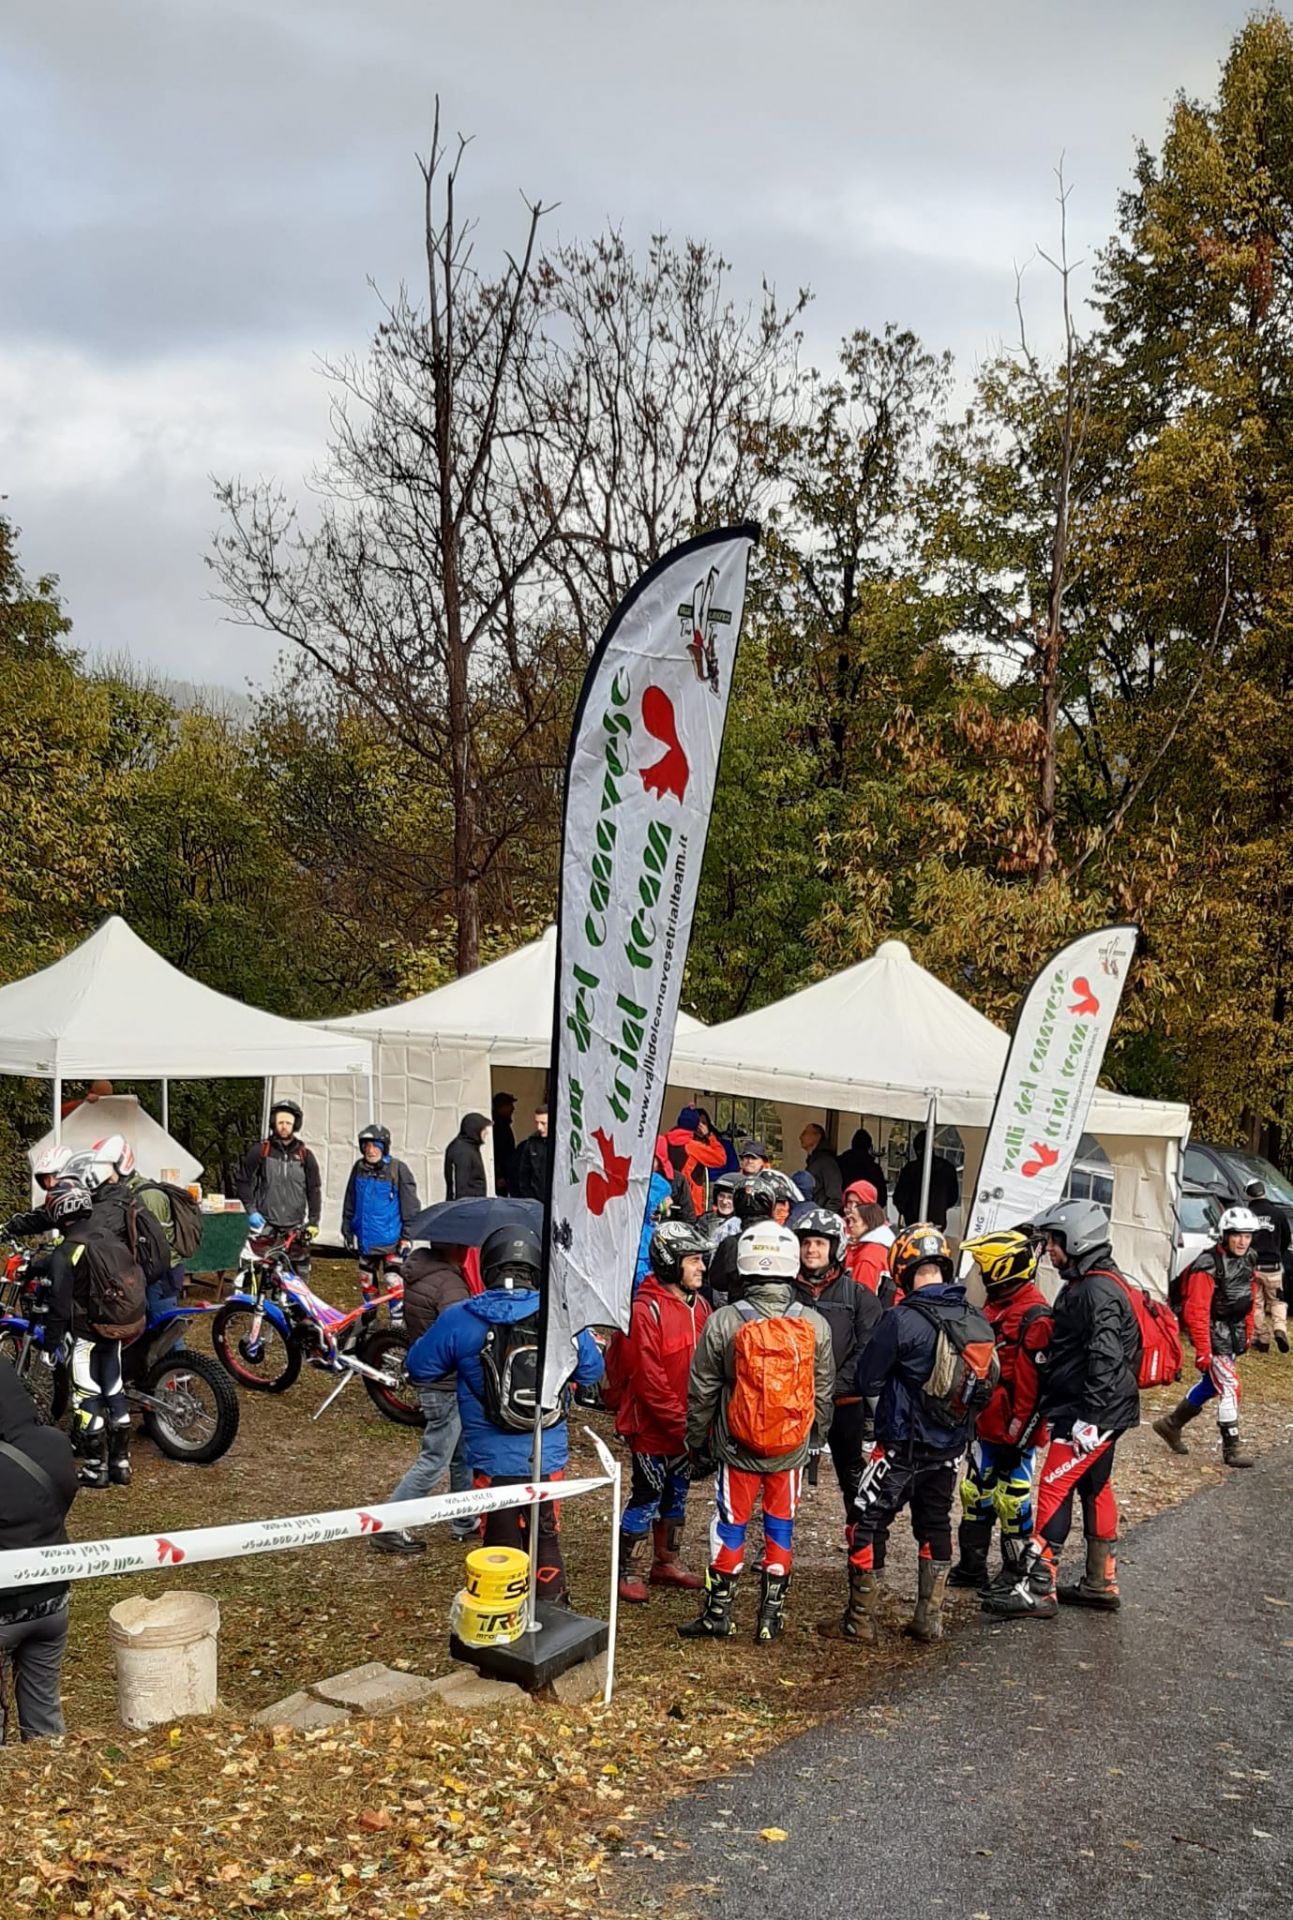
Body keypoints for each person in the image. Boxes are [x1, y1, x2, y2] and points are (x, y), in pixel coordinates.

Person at [404, 1224, 603, 1605]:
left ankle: (499, 1612)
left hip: (490, 1459)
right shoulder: (562, 1316)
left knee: (498, 1538)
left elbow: (420, 1367)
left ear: (488, 1267)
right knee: (545, 1533)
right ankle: (552, 1609)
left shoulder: (461, 1317)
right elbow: (592, 1371)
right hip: (546, 1453)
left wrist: (465, 1363)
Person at [985, 1199, 1141, 1621]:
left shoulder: (1095, 1291)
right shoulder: (1093, 1283)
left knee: (1055, 1486)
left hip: (1089, 1411)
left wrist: (1089, 1419)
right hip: (1098, 1407)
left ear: (1077, 1240)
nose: (1049, 1249)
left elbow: (1105, 1356)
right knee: (1095, 1486)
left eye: (1055, 1240)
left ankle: (1039, 1587)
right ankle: (1100, 1580)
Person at [680, 1220, 834, 1644]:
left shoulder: (723, 1321)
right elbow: (823, 1392)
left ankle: (718, 1614)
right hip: (791, 1451)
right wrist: (814, 1440)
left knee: (730, 1525)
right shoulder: (815, 1324)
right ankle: (770, 1617)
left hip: (737, 1447)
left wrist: (697, 1443)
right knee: (781, 1526)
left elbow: (702, 1392)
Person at [830, 1225, 983, 1646]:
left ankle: (860, 1620)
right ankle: (929, 1619)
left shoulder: (900, 1319)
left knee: (866, 1520)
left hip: (900, 1447)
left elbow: (867, 1379)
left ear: (902, 1268)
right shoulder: (973, 1316)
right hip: (950, 1448)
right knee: (935, 1524)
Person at [614, 1220, 713, 1603]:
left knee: (678, 1495)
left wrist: (703, 1426)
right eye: (693, 1259)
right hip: (652, 1430)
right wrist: (686, 1427)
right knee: (647, 1494)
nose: (701, 1267)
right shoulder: (645, 1310)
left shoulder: (701, 1306)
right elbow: (648, 1379)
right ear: (671, 1262)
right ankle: (628, 1569)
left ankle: (666, 1563)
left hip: (687, 1429)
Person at [951, 1229, 1053, 1598]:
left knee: (1012, 1500)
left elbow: (1033, 1391)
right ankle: (972, 1566)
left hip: (1015, 1429)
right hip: (985, 1422)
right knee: (974, 1492)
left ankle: (1015, 1572)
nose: (980, 1274)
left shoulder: (1034, 1316)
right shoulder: (996, 1305)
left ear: (1003, 1270)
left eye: (984, 1268)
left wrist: (1018, 1438)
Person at [789, 1208, 884, 1592]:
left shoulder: (858, 1297)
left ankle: (864, 1554)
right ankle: (777, 1553)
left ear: (835, 1248)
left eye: (819, 1243)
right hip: (792, 1405)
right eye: (805, 1243)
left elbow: (868, 1350)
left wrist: (832, 1388)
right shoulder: (785, 1291)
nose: (811, 1250)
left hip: (844, 1406)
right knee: (784, 1478)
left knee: (853, 1480)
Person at [39, 1172, 146, 1489]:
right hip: (115, 1327)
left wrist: (51, 1345)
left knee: (86, 1395)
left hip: (86, 1333)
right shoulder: (107, 1237)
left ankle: (95, 1467)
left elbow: (59, 1306)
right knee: (113, 1389)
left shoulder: (68, 1249)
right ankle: (121, 1465)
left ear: (59, 1210)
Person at [370, 1242, 477, 1556]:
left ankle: (465, 1520)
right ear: (456, 1248)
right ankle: (388, 1526)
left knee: (463, 1455)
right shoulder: (450, 1285)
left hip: (432, 1378)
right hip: (446, 1385)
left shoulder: (420, 1271)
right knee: (434, 1459)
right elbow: (461, 1334)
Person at [0, 1357, 79, 1738]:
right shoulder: (55, 1444)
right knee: (44, 1716)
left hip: (4, 1608)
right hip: (52, 1601)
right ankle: (49, 1770)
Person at [1154, 1205, 1262, 1468]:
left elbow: (1249, 1298)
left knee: (1212, 1384)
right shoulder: (1207, 1265)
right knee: (1230, 1385)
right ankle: (1231, 1448)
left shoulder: (1249, 1258)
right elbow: (1197, 1310)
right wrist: (1203, 1350)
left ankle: (1171, 1424)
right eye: (1236, 1235)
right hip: (1213, 1335)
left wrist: (1248, 1332)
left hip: (1233, 1332)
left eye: (1247, 1236)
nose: (1242, 1241)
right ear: (1225, 1235)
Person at [341, 1124, 420, 1320]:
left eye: (376, 1146)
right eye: (366, 1146)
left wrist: (407, 1236)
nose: (371, 1150)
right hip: (366, 1240)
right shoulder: (358, 1169)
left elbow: (410, 1205)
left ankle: (397, 1324)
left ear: (384, 1147)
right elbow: (350, 1199)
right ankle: (369, 1322)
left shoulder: (397, 1169)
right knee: (366, 1282)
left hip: (392, 1241)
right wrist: (347, 1228)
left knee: (394, 1282)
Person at [236, 1101, 322, 1277]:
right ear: (274, 1123)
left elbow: (314, 1189)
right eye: (280, 1122)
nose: (284, 1126)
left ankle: (286, 1295)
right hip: (264, 1223)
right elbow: (243, 1181)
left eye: (288, 1123)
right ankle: (249, 1296)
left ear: (295, 1125)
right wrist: (251, 1210)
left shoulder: (305, 1155)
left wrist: (313, 1221)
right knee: (249, 1272)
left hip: (295, 1227)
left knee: (297, 1277)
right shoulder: (261, 1151)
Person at [706, 1171, 782, 1305]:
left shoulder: (731, 1243)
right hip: (777, 1308)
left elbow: (717, 1281)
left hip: (740, 1309)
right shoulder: (784, 1241)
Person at [1244, 1179, 1290, 1353]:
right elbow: (1286, 1238)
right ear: (1264, 1192)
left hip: (1254, 1267)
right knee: (1278, 1300)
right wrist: (1278, 1252)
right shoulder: (1278, 1213)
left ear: (1248, 1195)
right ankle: (1280, 1328)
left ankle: (1262, 1338)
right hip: (1274, 1267)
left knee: (1256, 1303)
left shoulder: (1248, 1214)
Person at [660, 1106, 728, 1218]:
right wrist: (709, 1135)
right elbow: (720, 1158)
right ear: (696, 1126)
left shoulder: (663, 1140)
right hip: (689, 1204)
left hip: (663, 1200)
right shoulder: (692, 1146)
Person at [893, 1132, 960, 1230]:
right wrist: (940, 1207)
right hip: (937, 1220)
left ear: (917, 1150)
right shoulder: (947, 1168)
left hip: (913, 1220)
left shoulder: (910, 1169)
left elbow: (899, 1198)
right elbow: (953, 1197)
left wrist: (905, 1211)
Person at [841, 1182, 896, 1298]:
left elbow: (860, 1300)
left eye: (858, 1204)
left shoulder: (868, 1256)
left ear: (868, 1217)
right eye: (849, 1202)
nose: (851, 1208)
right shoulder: (875, 1243)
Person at [443, 1112, 490, 1201]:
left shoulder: (471, 1147)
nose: (486, 1132)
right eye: (484, 1129)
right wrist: (459, 1204)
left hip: (474, 1203)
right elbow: (457, 1183)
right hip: (466, 1205)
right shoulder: (461, 1150)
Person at [838, 1128, 888, 1209]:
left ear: (852, 1144)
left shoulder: (840, 1163)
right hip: (867, 1209)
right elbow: (882, 1196)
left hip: (844, 1207)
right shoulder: (874, 1168)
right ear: (869, 1147)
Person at [799, 1124, 844, 1210]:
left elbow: (836, 1198)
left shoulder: (826, 1161)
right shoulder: (815, 1161)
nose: (800, 1137)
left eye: (805, 1133)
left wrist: (823, 1216)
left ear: (817, 1136)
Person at [511, 1104, 550, 1201]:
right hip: (535, 1200)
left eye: (543, 1123)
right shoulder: (532, 1142)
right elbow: (524, 1173)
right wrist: (529, 1198)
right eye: (537, 1123)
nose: (539, 1127)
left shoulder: (562, 1142)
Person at [696, 1172, 739, 1242]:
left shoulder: (745, 1223)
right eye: (721, 1196)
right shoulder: (705, 1221)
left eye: (730, 1198)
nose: (724, 1202)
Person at [491, 1092, 518, 1194]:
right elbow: (497, 1152)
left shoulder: (504, 1125)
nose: (512, 1109)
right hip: (501, 1176)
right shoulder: (498, 1127)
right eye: (509, 1105)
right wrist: (499, 1175)